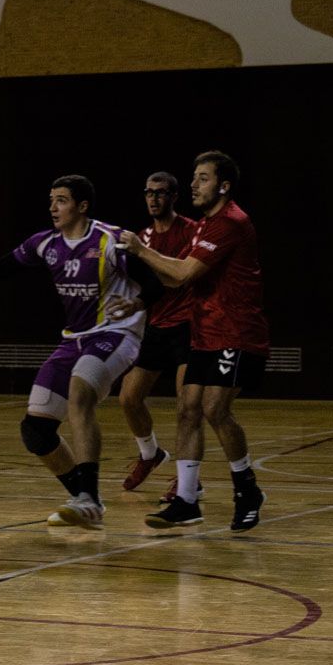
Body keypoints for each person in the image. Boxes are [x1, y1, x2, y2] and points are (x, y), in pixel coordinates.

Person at [0, 176, 162, 529]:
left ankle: (89, 499)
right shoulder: (46, 243)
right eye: (51, 199)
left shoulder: (110, 241)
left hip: (117, 334)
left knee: (80, 393)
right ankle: (81, 496)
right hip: (74, 339)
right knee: (36, 430)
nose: (53, 207)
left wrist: (137, 303)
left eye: (62, 200)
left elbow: (159, 282)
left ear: (81, 206)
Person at [120, 151, 269, 531]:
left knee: (214, 409)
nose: (194, 184)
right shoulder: (205, 225)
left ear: (223, 185)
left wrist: (141, 250)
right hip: (204, 331)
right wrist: (143, 266)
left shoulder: (230, 223)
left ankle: (247, 489)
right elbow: (173, 279)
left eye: (202, 178)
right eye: (194, 177)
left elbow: (184, 273)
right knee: (188, 409)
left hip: (235, 331)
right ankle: (187, 500)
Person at [117, 172, 198, 497]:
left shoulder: (191, 231)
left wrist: (138, 299)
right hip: (158, 326)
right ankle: (151, 454)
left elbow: (177, 279)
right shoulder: (142, 237)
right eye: (148, 192)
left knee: (186, 407)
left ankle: (189, 479)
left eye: (160, 193)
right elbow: (147, 283)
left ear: (174, 197)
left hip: (190, 326)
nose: (153, 199)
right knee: (128, 398)